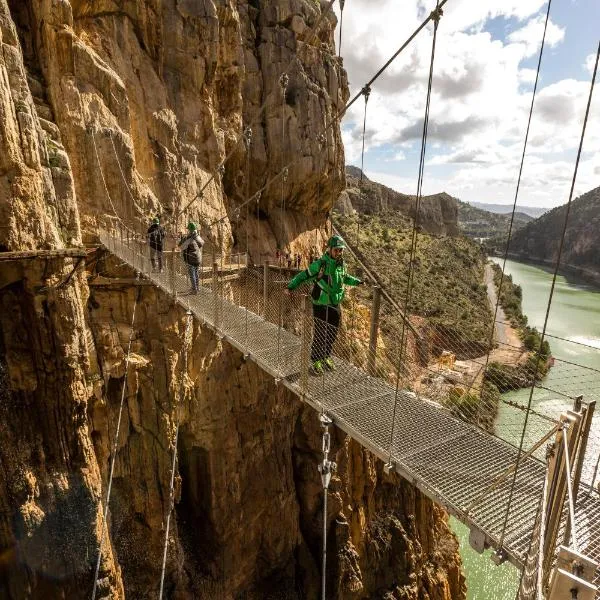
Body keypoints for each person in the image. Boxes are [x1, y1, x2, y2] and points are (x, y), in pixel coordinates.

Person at [286, 235, 363, 375]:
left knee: (332, 333)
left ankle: (326, 356)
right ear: (330, 249)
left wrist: (357, 281)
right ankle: (316, 360)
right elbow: (304, 275)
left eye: (341, 250)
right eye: (336, 250)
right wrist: (290, 287)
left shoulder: (342, 265)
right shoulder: (320, 264)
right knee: (321, 333)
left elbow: (345, 278)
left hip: (334, 303)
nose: (339, 253)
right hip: (321, 303)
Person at [178, 222, 205, 294]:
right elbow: (202, 243)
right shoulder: (198, 237)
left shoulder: (190, 239)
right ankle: (197, 287)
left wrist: (182, 239)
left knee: (192, 273)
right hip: (198, 258)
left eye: (189, 230)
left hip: (191, 259)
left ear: (190, 230)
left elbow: (181, 247)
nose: (188, 231)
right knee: (196, 273)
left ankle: (194, 290)